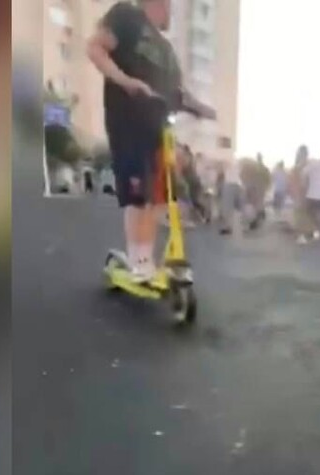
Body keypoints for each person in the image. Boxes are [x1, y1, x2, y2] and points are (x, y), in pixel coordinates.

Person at [86, 0, 216, 282]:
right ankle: (140, 261)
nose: (172, 11)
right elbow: (95, 47)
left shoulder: (167, 51)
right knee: (138, 193)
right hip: (128, 120)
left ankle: (143, 256)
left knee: (159, 194)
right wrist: (126, 81)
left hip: (158, 128)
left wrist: (202, 109)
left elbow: (178, 94)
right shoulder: (127, 16)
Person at [290, 146, 316, 243]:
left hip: (306, 192)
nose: (303, 155)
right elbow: (293, 181)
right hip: (300, 192)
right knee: (301, 214)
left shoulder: (307, 166)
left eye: (304, 153)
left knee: (304, 214)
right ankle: (303, 233)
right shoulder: (299, 167)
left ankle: (305, 233)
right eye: (302, 153)